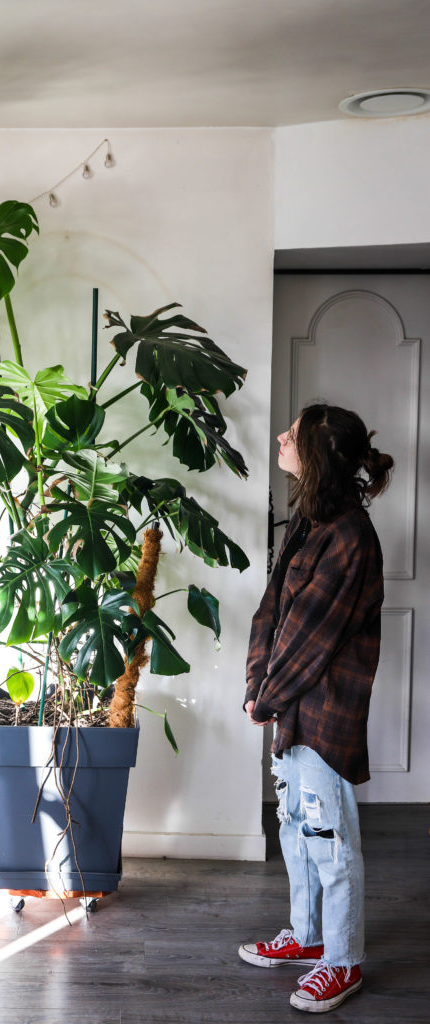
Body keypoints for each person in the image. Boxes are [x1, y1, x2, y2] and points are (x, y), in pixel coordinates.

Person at [238, 403, 394, 1014]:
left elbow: (313, 634)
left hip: (325, 712)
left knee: (331, 839)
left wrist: (267, 694)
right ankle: (306, 938)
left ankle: (343, 961)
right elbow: (271, 608)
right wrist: (258, 685)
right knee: (296, 827)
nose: (282, 437)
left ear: (317, 455)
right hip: (287, 706)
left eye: (294, 434)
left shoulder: (351, 536)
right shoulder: (308, 519)